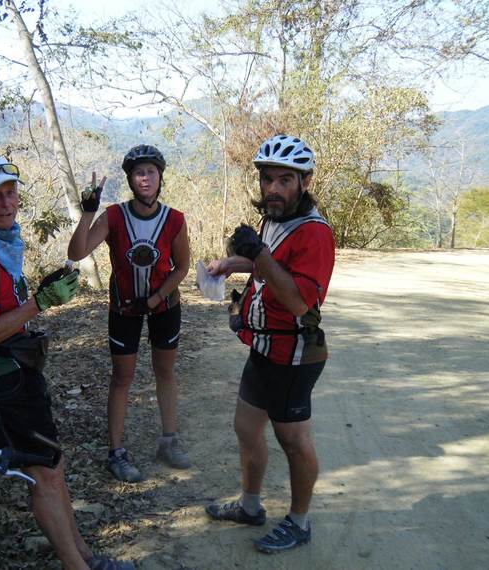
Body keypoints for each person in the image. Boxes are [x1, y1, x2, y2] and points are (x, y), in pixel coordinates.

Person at [0, 156, 134, 570]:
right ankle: (77, 565)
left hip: (14, 369)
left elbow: (6, 308)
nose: (5, 202)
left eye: (10, 192)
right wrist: (41, 302)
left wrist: (40, 295)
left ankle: (84, 554)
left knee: (53, 463)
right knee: (44, 473)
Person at [203, 135, 335, 553]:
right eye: (268, 179)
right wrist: (232, 263)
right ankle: (250, 505)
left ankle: (299, 522)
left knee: (294, 441)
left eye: (285, 180)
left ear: (304, 181)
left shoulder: (315, 234)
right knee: (246, 429)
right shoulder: (273, 219)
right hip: (263, 347)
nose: (274, 189)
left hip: (295, 354)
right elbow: (269, 266)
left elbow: (298, 300)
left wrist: (258, 253)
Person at [67, 145, 191, 482]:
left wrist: (156, 298)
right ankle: (116, 452)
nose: (146, 178)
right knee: (122, 378)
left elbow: (182, 267)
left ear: (160, 176)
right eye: (139, 173)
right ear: (131, 180)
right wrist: (88, 212)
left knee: (165, 371)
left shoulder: (174, 220)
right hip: (123, 308)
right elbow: (77, 252)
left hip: (164, 306)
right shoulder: (114, 216)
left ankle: (169, 440)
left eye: (151, 171)